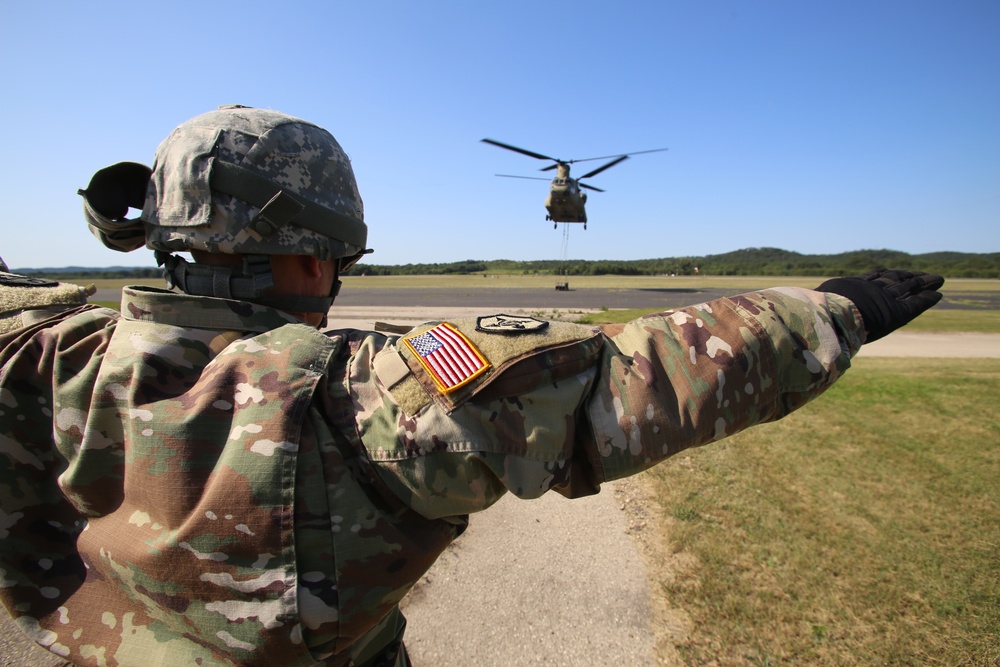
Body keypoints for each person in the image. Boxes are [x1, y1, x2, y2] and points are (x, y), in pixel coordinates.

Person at [0, 106, 944, 667]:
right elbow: (641, 374)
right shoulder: (355, 397)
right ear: (301, 255)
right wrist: (832, 309)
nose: (334, 290)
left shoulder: (47, 357)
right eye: (335, 264)